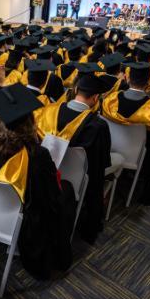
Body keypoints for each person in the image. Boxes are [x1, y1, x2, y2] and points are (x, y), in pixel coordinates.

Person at [0, 83, 74, 278]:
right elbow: (48, 200)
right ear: (30, 122)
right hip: (18, 218)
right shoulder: (36, 155)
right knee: (65, 191)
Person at [37, 74, 111, 242]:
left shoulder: (49, 110)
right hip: (75, 182)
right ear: (95, 98)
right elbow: (100, 164)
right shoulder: (98, 126)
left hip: (45, 173)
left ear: (76, 90)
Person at [102, 62, 150, 206]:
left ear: (127, 78)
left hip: (109, 151)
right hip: (135, 156)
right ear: (149, 82)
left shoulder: (110, 100)